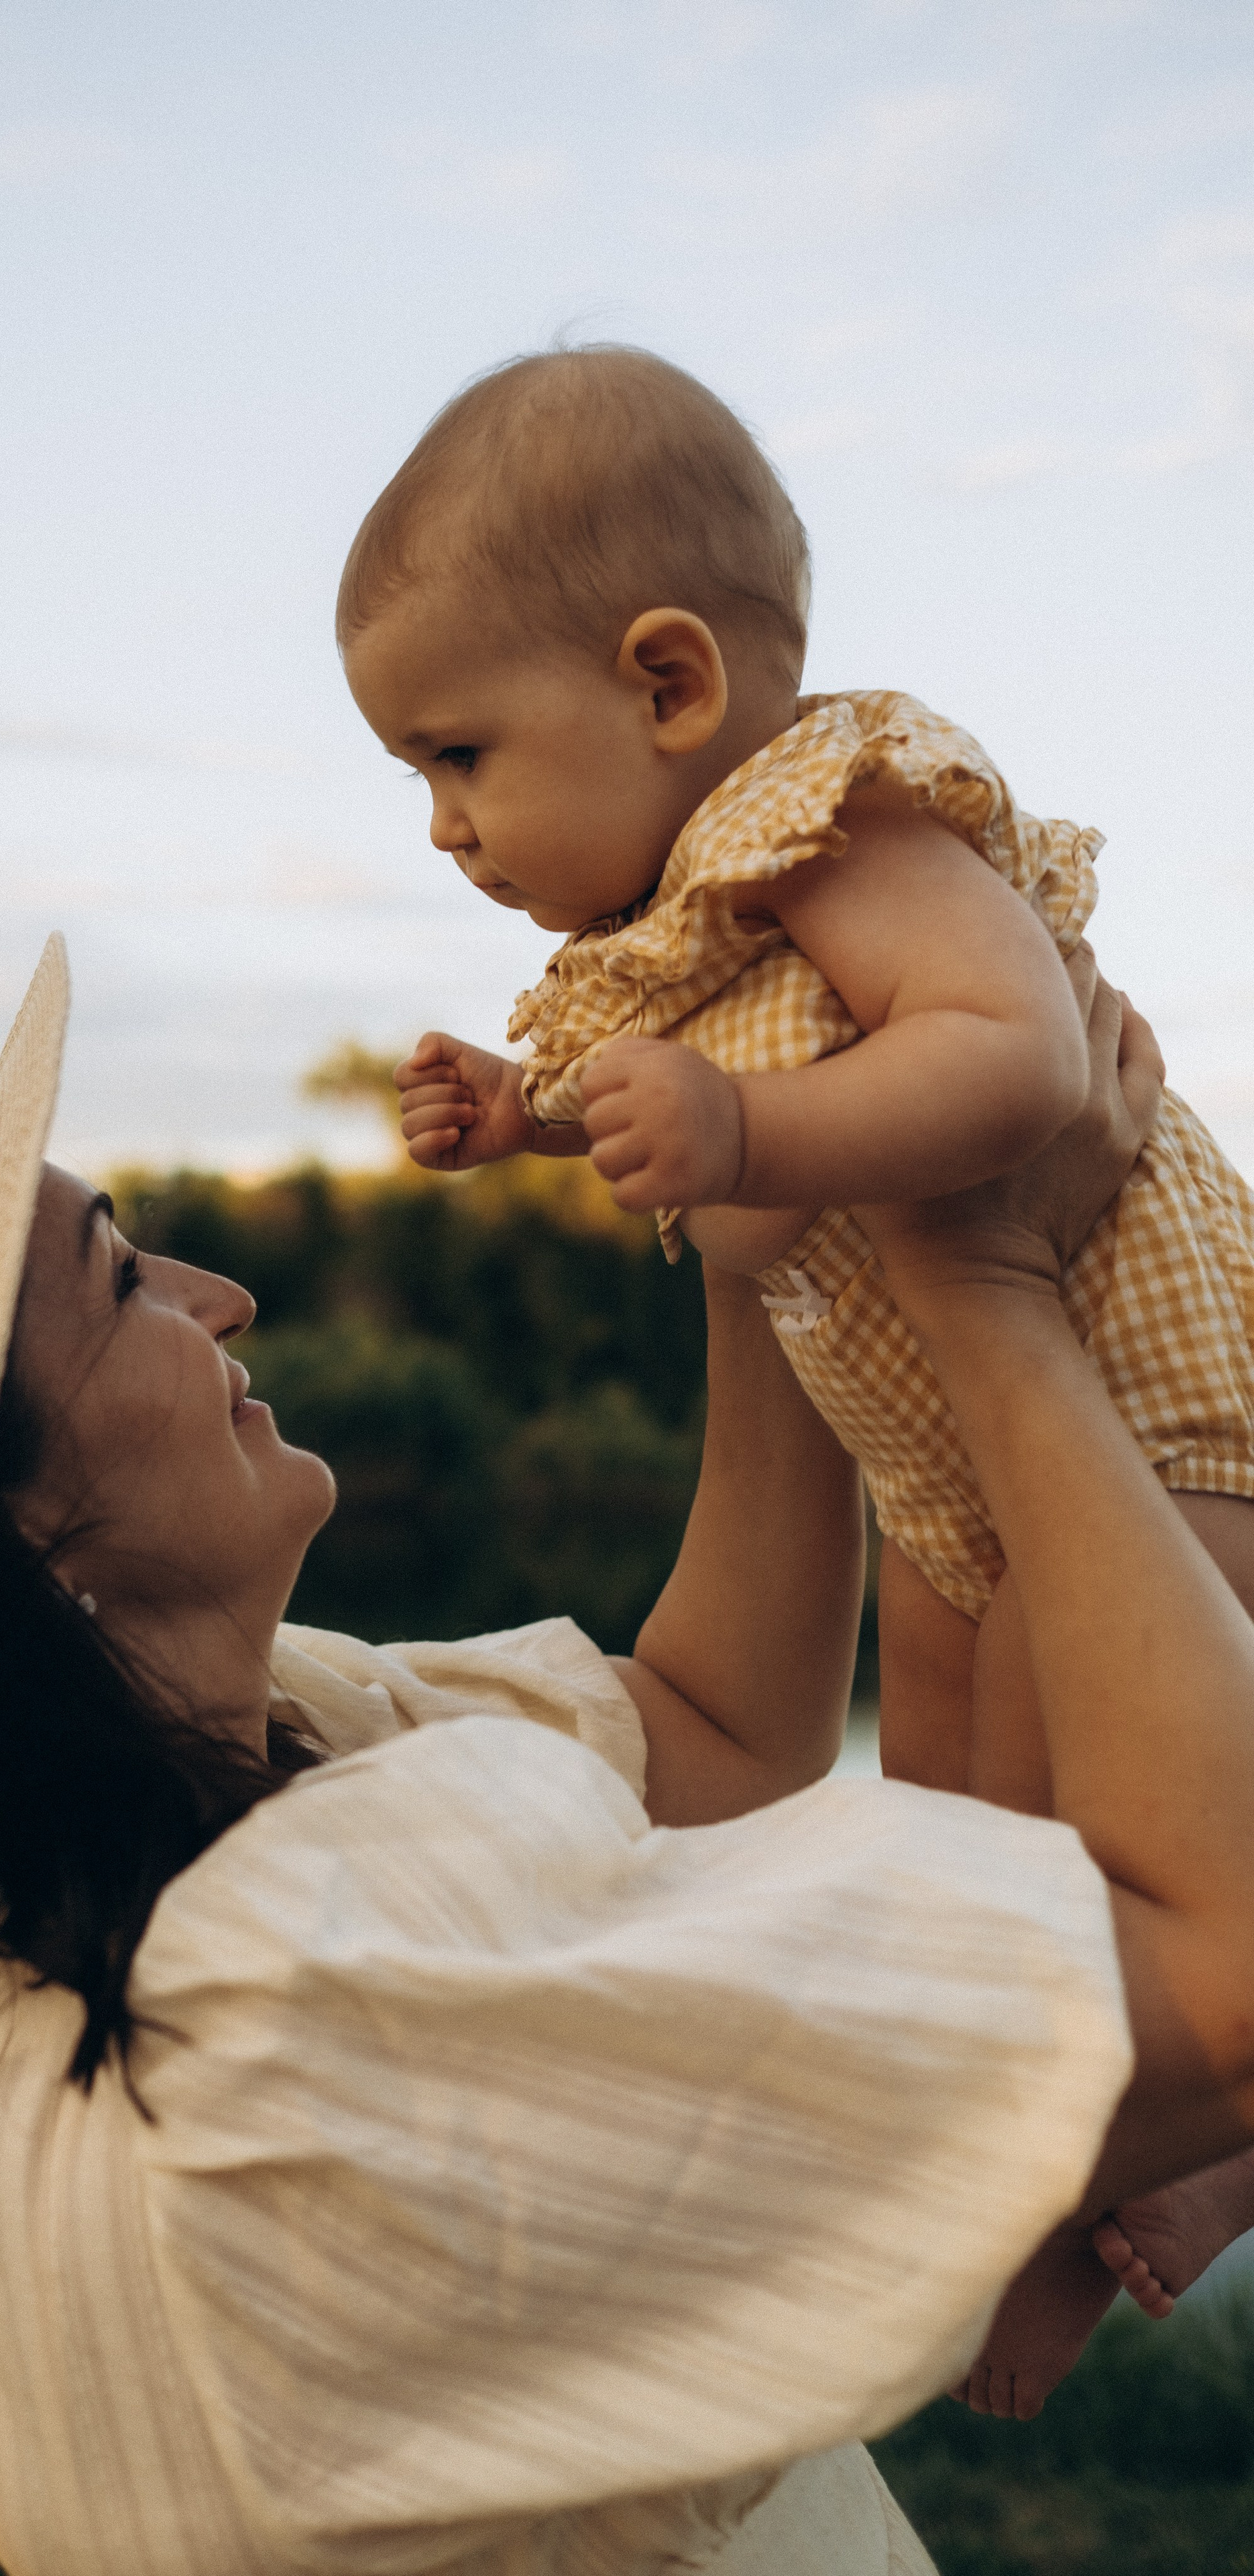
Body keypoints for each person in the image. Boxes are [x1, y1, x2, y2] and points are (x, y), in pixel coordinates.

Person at [0, 935, 1254, 2574]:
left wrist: (761, 1243)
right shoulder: (279, 2026)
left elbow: (709, 1732)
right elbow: (1226, 1974)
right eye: (123, 1281)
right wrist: (986, 1288)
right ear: (20, 1532)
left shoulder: (172, 1792)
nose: (224, 1298)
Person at [341, 343, 1254, 1835]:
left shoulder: (829, 823)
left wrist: (740, 1132)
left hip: (1133, 1427)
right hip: (945, 1467)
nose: (445, 825)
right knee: (929, 1839)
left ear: (669, 684)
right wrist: (527, 1113)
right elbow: (706, 1077)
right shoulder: (684, 918)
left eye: (460, 755)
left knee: (1053, 1867)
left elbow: (1019, 1047)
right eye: (421, 778)